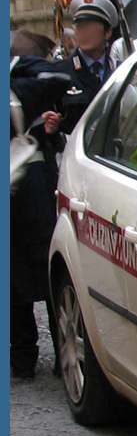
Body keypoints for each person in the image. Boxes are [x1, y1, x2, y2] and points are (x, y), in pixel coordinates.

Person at [9, 56, 70, 380]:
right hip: (27, 186)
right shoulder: (18, 83)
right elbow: (56, 80)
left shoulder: (17, 77)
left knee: (38, 268)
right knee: (26, 274)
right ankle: (34, 356)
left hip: (31, 187)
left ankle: (35, 356)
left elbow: (57, 79)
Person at [49, 0, 119, 136]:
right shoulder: (59, 72)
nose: (84, 32)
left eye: (91, 27)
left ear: (107, 33)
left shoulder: (121, 70)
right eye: (80, 26)